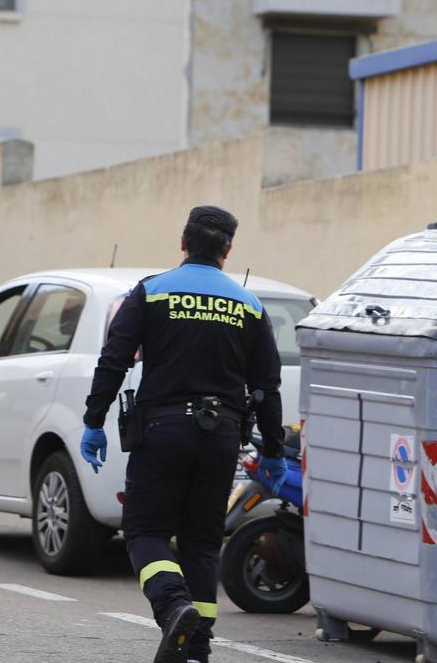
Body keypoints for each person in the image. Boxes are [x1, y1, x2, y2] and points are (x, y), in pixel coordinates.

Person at [80, 206, 287, 663]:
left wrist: (94, 421)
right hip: (222, 437)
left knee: (144, 532)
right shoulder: (249, 305)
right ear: (228, 250)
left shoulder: (151, 292)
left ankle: (174, 606)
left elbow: (114, 360)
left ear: (183, 242)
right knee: (201, 542)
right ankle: (197, 647)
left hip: (162, 431)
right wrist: (272, 449)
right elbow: (266, 387)